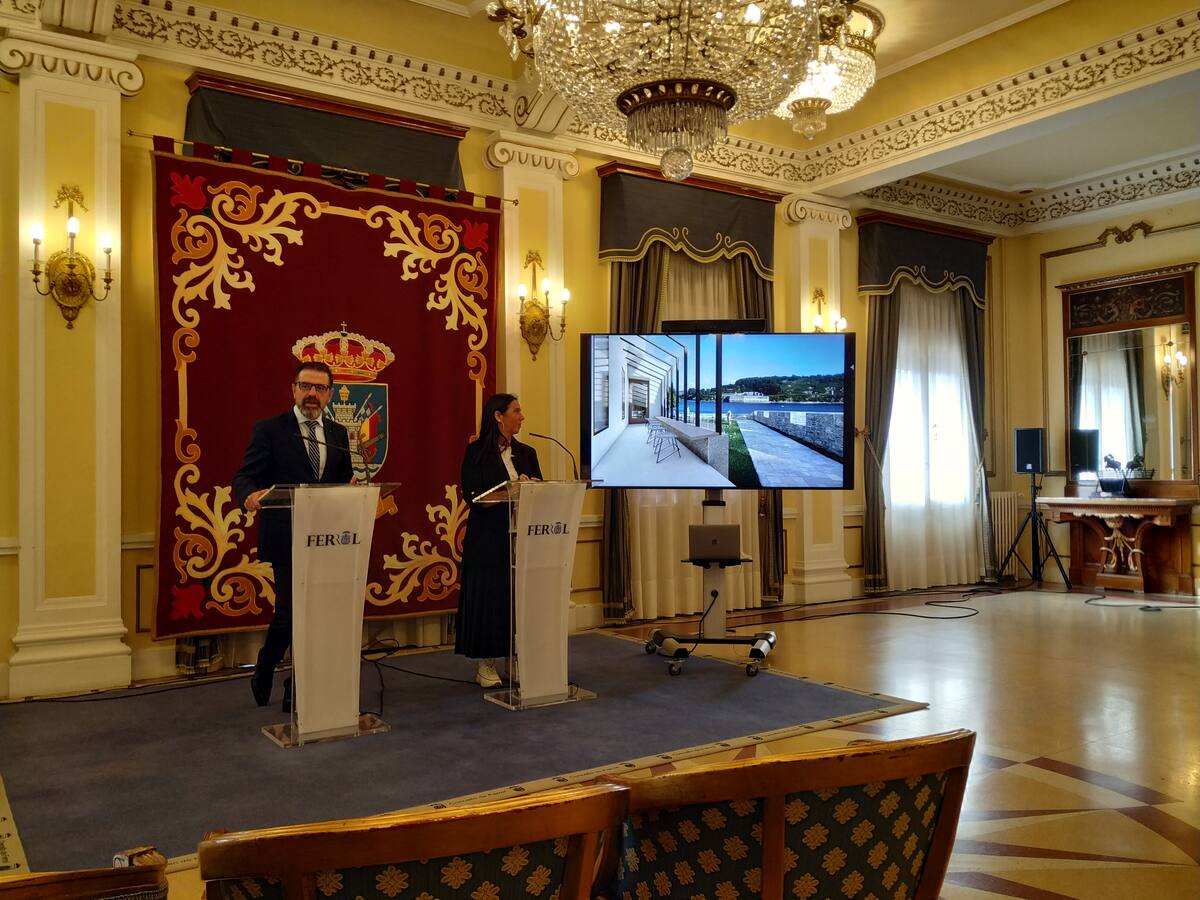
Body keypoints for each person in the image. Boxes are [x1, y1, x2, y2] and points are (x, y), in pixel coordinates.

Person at [232, 361, 354, 709]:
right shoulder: (270, 429)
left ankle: (296, 686)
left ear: (329, 394)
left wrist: (352, 492)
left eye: (319, 388)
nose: (312, 394)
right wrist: (248, 496)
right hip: (286, 536)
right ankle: (266, 666)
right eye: (305, 386)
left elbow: (341, 480)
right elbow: (245, 476)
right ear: (294, 389)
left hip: (327, 538)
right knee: (289, 613)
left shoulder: (338, 434)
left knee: (317, 615)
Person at [457, 393, 542, 687]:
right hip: (488, 539)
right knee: (490, 599)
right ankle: (486, 663)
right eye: (516, 411)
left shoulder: (528, 453)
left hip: (522, 539)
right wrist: (512, 491)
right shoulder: (476, 452)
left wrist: (532, 488)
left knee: (517, 600)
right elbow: (473, 496)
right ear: (498, 416)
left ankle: (515, 659)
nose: (522, 416)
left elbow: (540, 490)